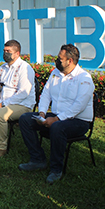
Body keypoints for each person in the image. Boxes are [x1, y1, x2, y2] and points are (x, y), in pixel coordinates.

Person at [18, 44, 94, 184]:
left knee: (57, 127)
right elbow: (46, 94)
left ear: (70, 61)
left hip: (78, 121)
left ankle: (56, 169)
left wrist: (57, 119)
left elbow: (79, 105)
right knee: (25, 119)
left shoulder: (84, 78)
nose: (56, 60)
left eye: (60, 58)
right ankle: (37, 159)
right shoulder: (55, 73)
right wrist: (41, 113)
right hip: (56, 116)